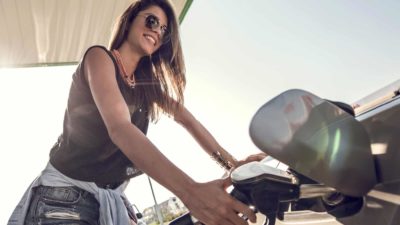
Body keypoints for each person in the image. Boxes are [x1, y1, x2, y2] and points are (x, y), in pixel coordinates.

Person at [8, 0, 265, 225]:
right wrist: (190, 192)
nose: (156, 30)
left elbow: (189, 121)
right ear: (130, 20)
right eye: (152, 20)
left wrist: (233, 165)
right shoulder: (99, 58)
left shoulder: (147, 88)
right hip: (64, 198)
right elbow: (120, 128)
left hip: (109, 201)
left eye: (164, 30)